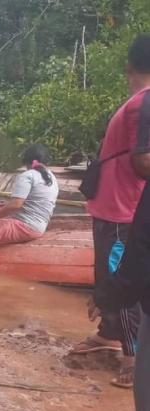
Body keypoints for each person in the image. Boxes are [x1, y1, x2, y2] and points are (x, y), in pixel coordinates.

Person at [70, 36, 150, 390]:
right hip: (111, 206)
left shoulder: (142, 104)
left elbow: (142, 161)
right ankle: (109, 334)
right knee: (107, 276)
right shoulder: (137, 104)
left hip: (122, 208)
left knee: (121, 279)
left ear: (128, 65)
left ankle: (133, 359)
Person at [0, 143, 59, 273]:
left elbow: (15, 205)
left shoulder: (28, 176)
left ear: (26, 160)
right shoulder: (50, 175)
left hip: (27, 225)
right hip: (38, 222)